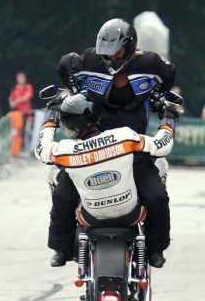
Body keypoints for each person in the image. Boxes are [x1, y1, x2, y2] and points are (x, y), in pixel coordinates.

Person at [46, 18, 176, 268]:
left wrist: (157, 98)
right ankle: (62, 248)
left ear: (131, 47)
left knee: (158, 197)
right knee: (63, 194)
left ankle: (156, 249)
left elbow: (168, 75)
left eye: (117, 51)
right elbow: (64, 66)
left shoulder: (150, 63)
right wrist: (74, 92)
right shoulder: (87, 61)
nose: (112, 58)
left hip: (132, 149)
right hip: (91, 145)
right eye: (107, 53)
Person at [35, 94, 179, 268]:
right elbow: (163, 145)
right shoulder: (125, 137)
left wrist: (52, 117)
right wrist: (168, 119)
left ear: (68, 125)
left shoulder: (64, 150)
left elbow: (40, 148)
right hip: (130, 212)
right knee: (159, 193)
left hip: (92, 216)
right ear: (97, 115)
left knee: (59, 193)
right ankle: (156, 251)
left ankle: (62, 250)